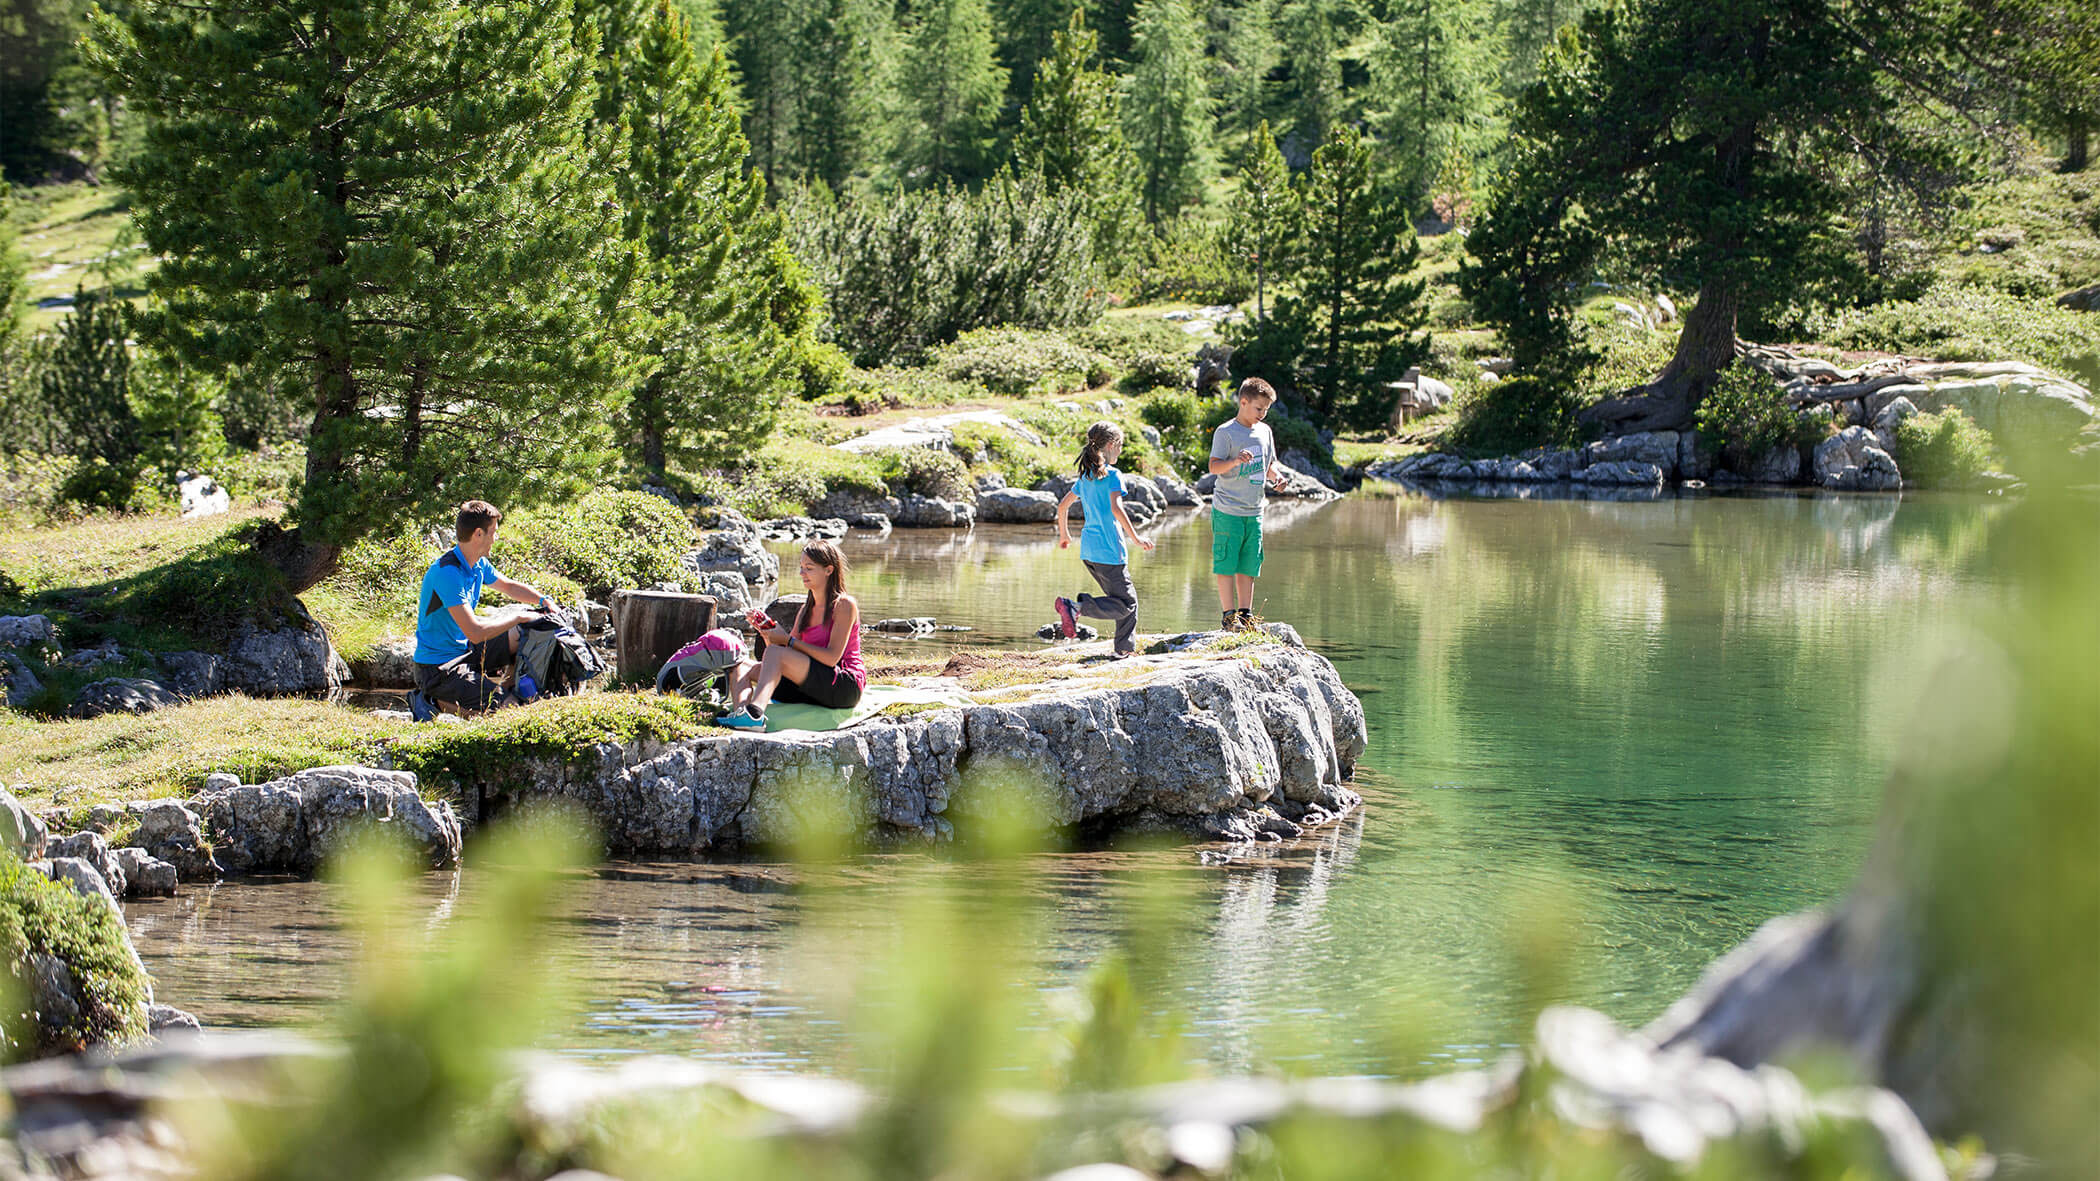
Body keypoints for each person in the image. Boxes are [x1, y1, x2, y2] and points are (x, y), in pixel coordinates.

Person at [409, 500, 557, 721]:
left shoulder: (478, 564)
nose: (496, 538)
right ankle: (432, 701)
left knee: (525, 632)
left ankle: (508, 688)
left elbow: (508, 586)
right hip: (438, 668)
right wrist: (517, 616)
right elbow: (475, 631)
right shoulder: (447, 573)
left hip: (467, 651)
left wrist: (544, 601)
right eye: (494, 532)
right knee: (511, 710)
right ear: (478, 534)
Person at [718, 540, 866, 730]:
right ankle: (741, 714)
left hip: (844, 686)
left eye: (809, 568)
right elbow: (783, 656)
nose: (802, 573)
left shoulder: (844, 605)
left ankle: (755, 714)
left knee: (774, 653)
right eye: (801, 567)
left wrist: (787, 639)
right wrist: (768, 633)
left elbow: (831, 658)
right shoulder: (806, 610)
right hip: (811, 686)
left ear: (829, 570)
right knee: (740, 665)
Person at [1052, 421, 1154, 658]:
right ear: (1111, 444)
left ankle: (1123, 651)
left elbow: (1062, 506)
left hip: (1089, 552)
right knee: (1128, 604)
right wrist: (1136, 538)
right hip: (1109, 551)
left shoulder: (1086, 476)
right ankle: (1076, 607)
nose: (1121, 451)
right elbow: (1117, 508)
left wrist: (1065, 534)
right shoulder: (1113, 475)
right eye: (1120, 446)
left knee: (1121, 601)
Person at [1207, 378, 1290, 631]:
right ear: (1243, 402)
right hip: (1227, 510)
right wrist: (1234, 462)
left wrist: (1276, 477)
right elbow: (1213, 466)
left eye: (1266, 410)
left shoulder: (1265, 432)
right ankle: (1228, 616)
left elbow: (1269, 464)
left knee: (1249, 563)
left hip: (1254, 511)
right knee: (1226, 563)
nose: (1262, 414)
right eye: (1258, 409)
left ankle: (1245, 615)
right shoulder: (1226, 432)